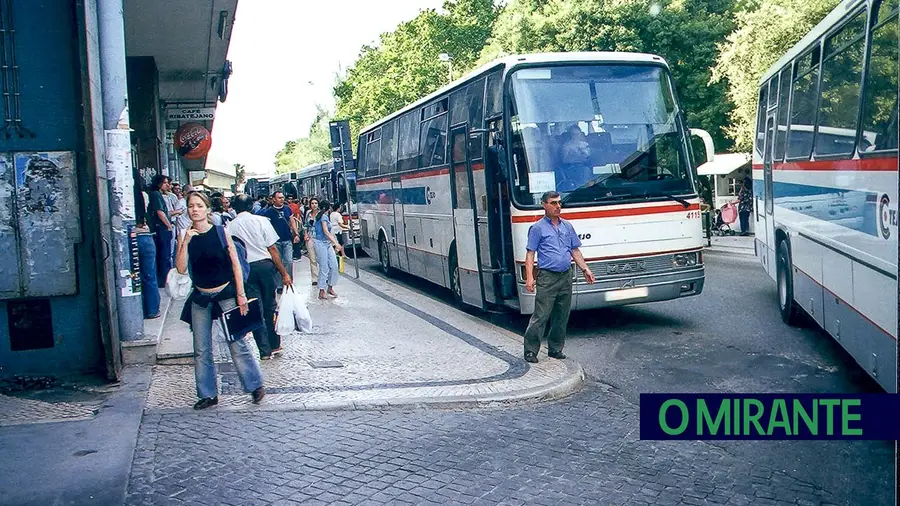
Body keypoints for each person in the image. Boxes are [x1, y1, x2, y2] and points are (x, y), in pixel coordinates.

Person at [175, 191, 265, 410]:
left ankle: (255, 385)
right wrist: (185, 242)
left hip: (225, 293)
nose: (194, 209)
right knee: (201, 348)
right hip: (200, 296)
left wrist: (241, 295)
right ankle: (207, 394)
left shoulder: (221, 232)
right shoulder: (185, 235)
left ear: (207, 209)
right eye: (191, 206)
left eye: (198, 205)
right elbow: (180, 268)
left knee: (237, 341)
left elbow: (236, 263)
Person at [522, 191, 596, 364]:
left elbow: (574, 250)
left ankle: (555, 349)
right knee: (541, 315)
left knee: (562, 314)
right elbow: (530, 254)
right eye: (553, 203)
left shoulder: (567, 226)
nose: (558, 206)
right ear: (544, 205)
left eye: (560, 203)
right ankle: (531, 351)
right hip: (547, 277)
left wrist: (585, 269)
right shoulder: (537, 228)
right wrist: (530, 278)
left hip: (565, 275)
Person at [227, 194, 293, 360]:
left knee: (255, 309)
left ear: (235, 207)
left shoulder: (230, 227)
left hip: (246, 270)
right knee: (270, 306)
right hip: (265, 267)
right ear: (251, 206)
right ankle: (275, 344)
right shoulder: (261, 221)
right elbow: (273, 249)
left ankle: (264, 351)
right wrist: (284, 273)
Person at [262, 191, 300, 288]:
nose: (282, 199)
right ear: (273, 199)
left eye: (282, 197)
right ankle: (279, 285)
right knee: (278, 263)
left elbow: (292, 221)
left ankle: (289, 281)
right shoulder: (268, 212)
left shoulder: (287, 209)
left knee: (288, 260)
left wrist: (296, 234)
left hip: (287, 239)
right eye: (279, 198)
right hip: (275, 242)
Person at [147, 174, 174, 288]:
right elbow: (160, 212)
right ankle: (164, 280)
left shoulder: (159, 195)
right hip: (161, 229)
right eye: (165, 183)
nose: (167, 185)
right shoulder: (156, 194)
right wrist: (169, 226)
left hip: (162, 228)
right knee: (164, 256)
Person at [313, 200, 343, 300]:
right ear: (328, 208)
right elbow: (326, 231)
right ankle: (322, 290)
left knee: (334, 265)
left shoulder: (322, 216)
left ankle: (330, 287)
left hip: (327, 243)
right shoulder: (323, 217)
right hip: (320, 243)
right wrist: (336, 243)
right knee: (324, 267)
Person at [302, 197, 320, 284]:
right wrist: (305, 234)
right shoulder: (308, 213)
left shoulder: (321, 214)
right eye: (312, 203)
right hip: (310, 237)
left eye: (316, 203)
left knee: (321, 258)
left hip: (320, 238)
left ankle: (324, 275)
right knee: (312, 258)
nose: (314, 205)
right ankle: (315, 278)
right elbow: (305, 225)